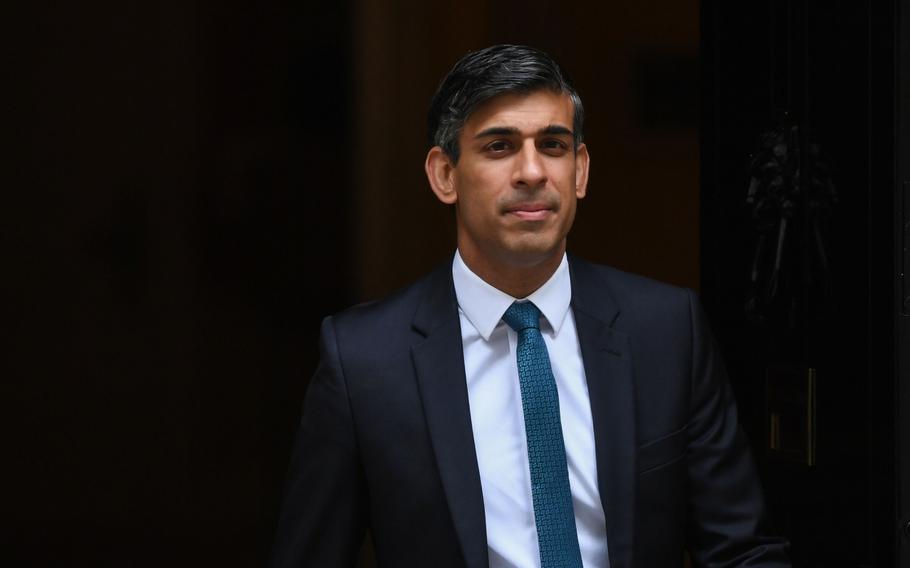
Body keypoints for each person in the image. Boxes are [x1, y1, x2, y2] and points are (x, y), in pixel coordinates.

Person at [269, 44, 790, 568]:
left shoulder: (666, 331)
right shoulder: (363, 360)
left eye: (554, 144)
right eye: (499, 146)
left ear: (581, 171)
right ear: (444, 175)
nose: (532, 171)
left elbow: (743, 552)